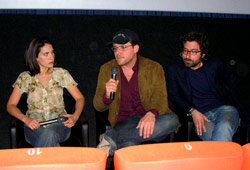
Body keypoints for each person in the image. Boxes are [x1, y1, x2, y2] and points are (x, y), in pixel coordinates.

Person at [93, 29, 179, 156]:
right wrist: (106, 96)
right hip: (123, 123)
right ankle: (119, 138)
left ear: (136, 48)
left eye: (123, 47)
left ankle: (111, 138)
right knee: (129, 147)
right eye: (115, 48)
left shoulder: (154, 68)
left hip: (150, 122)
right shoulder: (107, 69)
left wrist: (151, 114)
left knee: (172, 120)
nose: (118, 52)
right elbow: (97, 106)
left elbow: (160, 99)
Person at [166, 31, 249, 141]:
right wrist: (192, 111)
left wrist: (225, 94)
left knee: (224, 127)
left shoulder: (215, 66)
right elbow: (174, 96)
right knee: (213, 137)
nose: (188, 56)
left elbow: (233, 80)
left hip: (224, 110)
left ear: (203, 54)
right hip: (200, 115)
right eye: (185, 51)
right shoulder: (175, 70)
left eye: (193, 52)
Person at [6, 37, 85, 147]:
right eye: (46, 54)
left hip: (59, 125)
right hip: (34, 126)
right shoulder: (25, 77)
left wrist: (75, 116)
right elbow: (10, 105)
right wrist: (26, 119)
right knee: (50, 139)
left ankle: (33, 163)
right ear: (35, 57)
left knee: (50, 133)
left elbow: (80, 98)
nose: (51, 57)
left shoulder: (61, 74)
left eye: (52, 52)